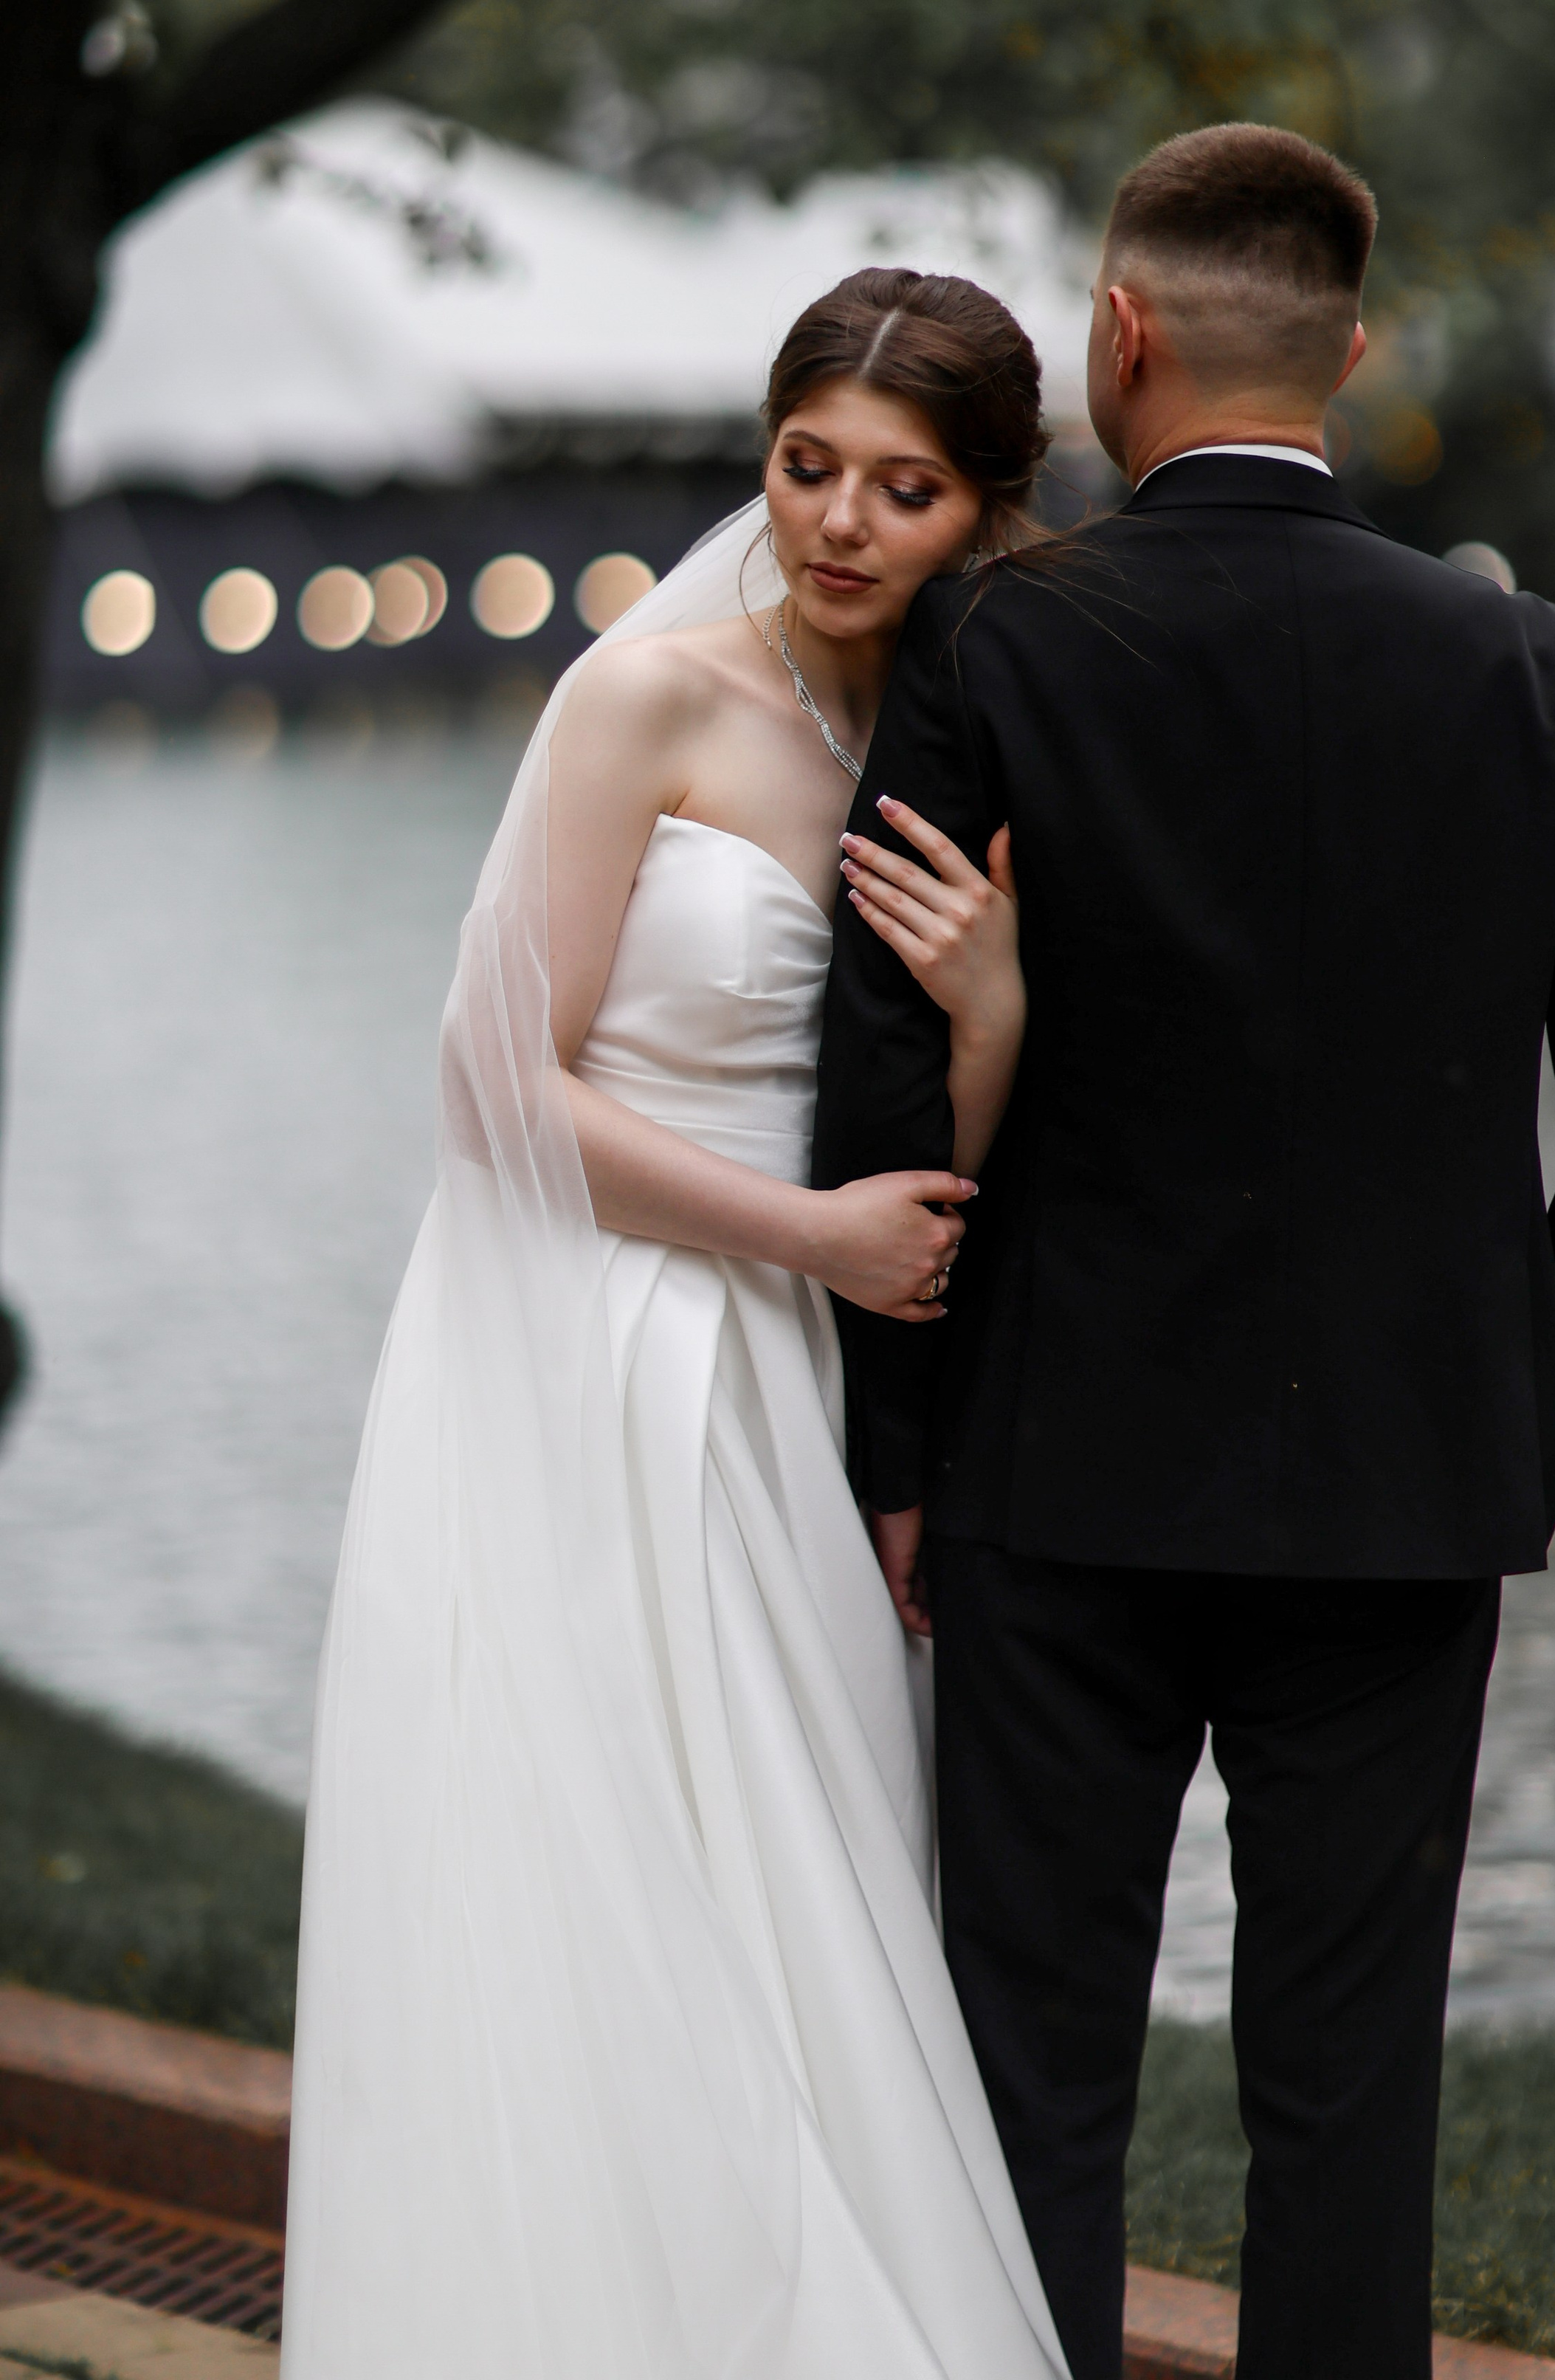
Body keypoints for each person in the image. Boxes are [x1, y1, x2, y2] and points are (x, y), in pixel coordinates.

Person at [815, 123, 1555, 2380]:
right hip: (1407, 1488)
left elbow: (889, 1078)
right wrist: (1536, 1395)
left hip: (1053, 1467)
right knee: (1349, 2098)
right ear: (1353, 355)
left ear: (1120, 333)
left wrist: (893, 1452)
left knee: (1030, 2082)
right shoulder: (1530, 664)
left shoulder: (993, 634)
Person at [282, 271, 1069, 2380]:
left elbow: (924, 1161)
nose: (839, 523)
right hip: (583, 1333)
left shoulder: (965, 742)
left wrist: (993, 1014)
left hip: (804, 1372)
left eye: (903, 489)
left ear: (988, 509)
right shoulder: (646, 699)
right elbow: (490, 1087)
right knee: (588, 1866)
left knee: (800, 1867)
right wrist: (800, 1237)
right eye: (808, 466)